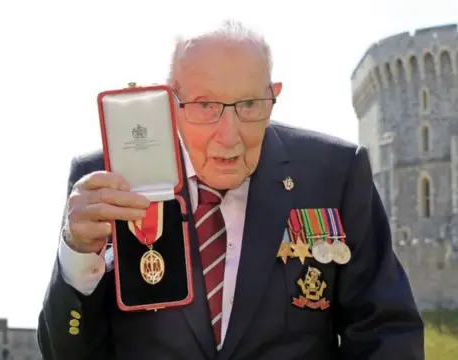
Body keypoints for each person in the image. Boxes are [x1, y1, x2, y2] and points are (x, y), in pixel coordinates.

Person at [37, 20, 424, 360]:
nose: (229, 136)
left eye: (250, 105)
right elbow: (65, 353)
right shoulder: (107, 180)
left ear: (274, 95)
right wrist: (76, 254)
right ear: (170, 102)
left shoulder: (334, 174)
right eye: (205, 105)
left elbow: (385, 332)